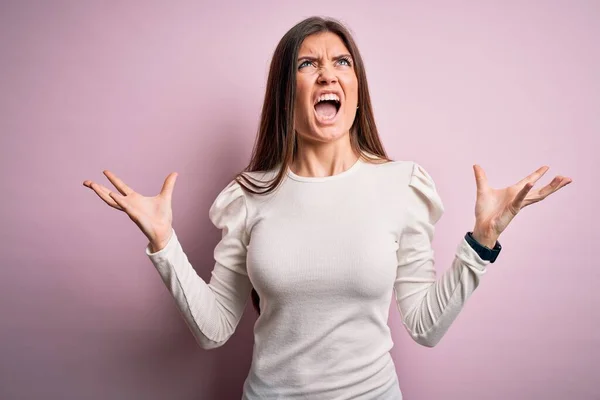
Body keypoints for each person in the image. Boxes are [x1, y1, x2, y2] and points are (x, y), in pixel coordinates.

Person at [83, 16, 572, 400]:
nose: (326, 74)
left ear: (356, 88)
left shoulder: (403, 185)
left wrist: (483, 241)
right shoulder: (247, 196)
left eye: (341, 63)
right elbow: (214, 331)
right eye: (306, 64)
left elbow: (424, 326)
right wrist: (164, 243)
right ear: (285, 93)